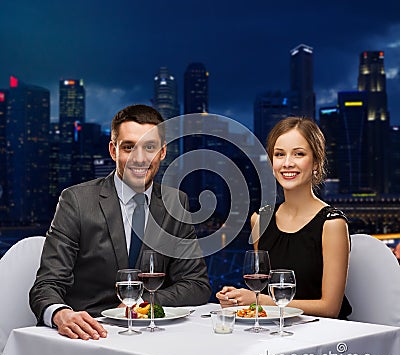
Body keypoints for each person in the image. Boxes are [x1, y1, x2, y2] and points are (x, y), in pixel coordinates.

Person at [30, 104, 212, 340]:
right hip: (90, 335)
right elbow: (46, 285)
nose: (139, 158)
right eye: (128, 147)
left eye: (149, 148)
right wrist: (61, 314)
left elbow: (196, 285)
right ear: (113, 151)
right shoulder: (76, 201)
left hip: (156, 335)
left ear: (163, 152)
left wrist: (141, 305)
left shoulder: (175, 203)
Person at [217, 116, 351, 319]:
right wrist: (236, 299)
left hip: (324, 335)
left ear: (316, 162)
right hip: (274, 332)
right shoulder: (260, 220)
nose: (287, 163)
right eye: (279, 155)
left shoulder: (332, 224)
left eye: (299, 154)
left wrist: (259, 300)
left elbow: (330, 308)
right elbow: (262, 290)